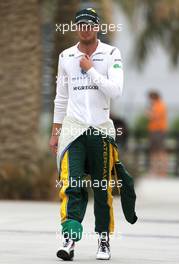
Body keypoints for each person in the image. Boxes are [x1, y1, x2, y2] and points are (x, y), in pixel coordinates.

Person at [49, 8, 124, 260]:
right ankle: (69, 240)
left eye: (89, 24)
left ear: (98, 27)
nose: (84, 28)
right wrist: (55, 132)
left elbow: (115, 91)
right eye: (80, 24)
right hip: (73, 129)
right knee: (72, 185)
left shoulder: (111, 53)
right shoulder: (65, 55)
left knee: (102, 189)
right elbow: (61, 98)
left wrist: (90, 69)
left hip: (101, 129)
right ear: (76, 28)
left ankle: (103, 241)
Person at [147, 91, 168, 176]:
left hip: (158, 131)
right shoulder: (157, 105)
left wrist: (148, 113)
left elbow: (155, 117)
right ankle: (155, 171)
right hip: (154, 131)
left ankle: (162, 171)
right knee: (154, 152)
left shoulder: (159, 105)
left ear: (153, 97)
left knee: (160, 152)